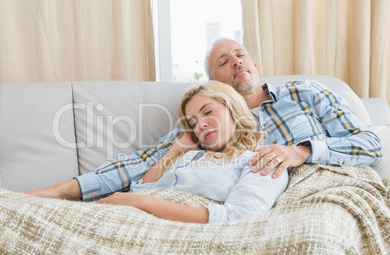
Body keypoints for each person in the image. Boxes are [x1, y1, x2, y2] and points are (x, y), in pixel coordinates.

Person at [25, 37, 382, 202]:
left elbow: (369, 144)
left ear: (254, 64)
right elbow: (139, 164)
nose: (237, 62)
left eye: (240, 55)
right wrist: (60, 191)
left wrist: (302, 151)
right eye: (224, 62)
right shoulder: (205, 123)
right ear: (214, 82)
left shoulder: (305, 92)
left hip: (319, 185)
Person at [95, 81, 288, 223]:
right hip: (130, 218)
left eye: (208, 112)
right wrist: (174, 151)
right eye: (193, 123)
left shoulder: (261, 158)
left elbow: (241, 216)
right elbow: (137, 192)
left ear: (233, 109)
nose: (201, 125)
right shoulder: (189, 156)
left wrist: (146, 203)